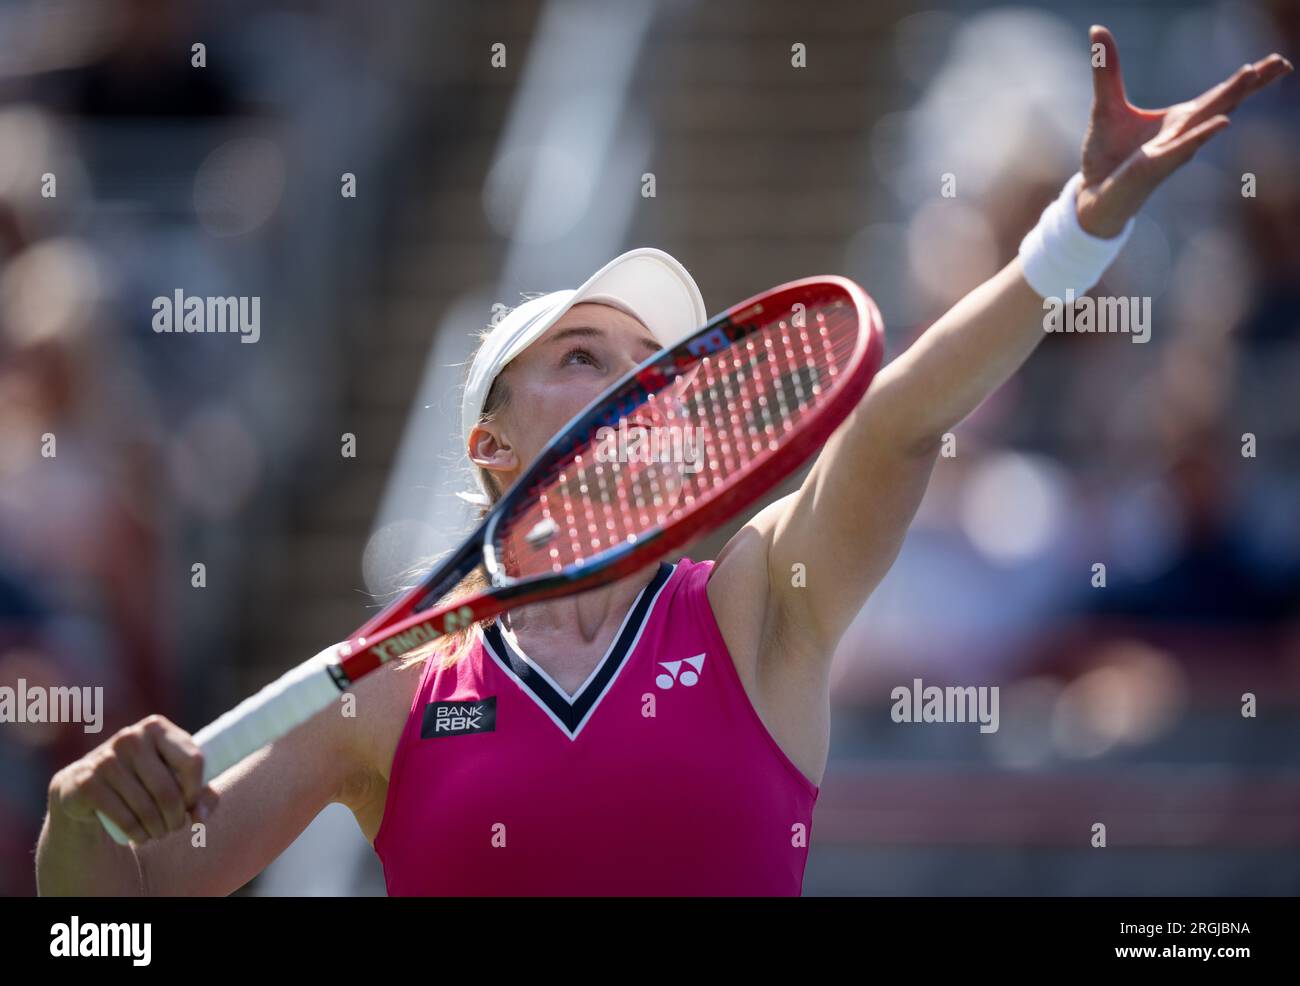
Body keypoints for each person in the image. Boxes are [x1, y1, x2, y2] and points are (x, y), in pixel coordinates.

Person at [35, 27, 1291, 895]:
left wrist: (1072, 236)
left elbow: (897, 418)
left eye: (651, 366)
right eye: (585, 355)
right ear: (490, 447)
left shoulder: (758, 603)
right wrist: (78, 825)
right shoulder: (388, 692)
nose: (633, 384)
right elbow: (113, 935)